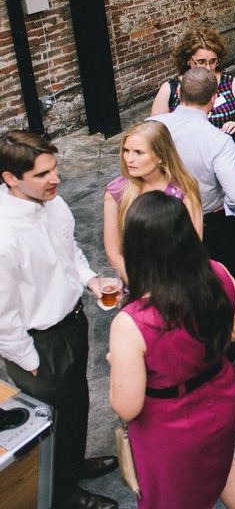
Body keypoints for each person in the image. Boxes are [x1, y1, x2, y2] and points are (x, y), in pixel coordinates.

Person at [107, 192, 235, 509]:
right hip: (221, 397)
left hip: (170, 426)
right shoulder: (218, 273)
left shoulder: (131, 322)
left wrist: (117, 363)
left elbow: (127, 407)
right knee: (224, 469)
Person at [0, 130, 119, 509]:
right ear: (10, 179)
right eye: (42, 174)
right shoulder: (4, 237)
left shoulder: (52, 201)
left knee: (76, 403)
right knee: (50, 422)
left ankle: (73, 464)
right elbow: (1, 315)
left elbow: (70, 250)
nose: (56, 179)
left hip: (73, 322)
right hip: (40, 342)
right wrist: (29, 360)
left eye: (55, 169)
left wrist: (90, 280)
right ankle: (63, 495)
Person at [150, 67, 235, 305]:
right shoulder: (218, 141)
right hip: (212, 217)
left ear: (180, 95)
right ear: (214, 98)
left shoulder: (154, 126)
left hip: (167, 214)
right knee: (218, 276)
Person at [103, 120, 203, 277]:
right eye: (126, 150)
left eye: (138, 152)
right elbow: (113, 252)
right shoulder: (116, 192)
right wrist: (141, 287)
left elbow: (193, 245)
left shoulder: (183, 190)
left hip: (177, 279)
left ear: (160, 156)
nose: (129, 159)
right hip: (134, 279)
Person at [150, 26, 235, 156]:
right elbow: (154, 133)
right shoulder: (169, 89)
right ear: (188, 60)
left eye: (213, 62)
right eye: (201, 62)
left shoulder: (233, 85)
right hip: (188, 162)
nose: (208, 68)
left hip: (229, 156)